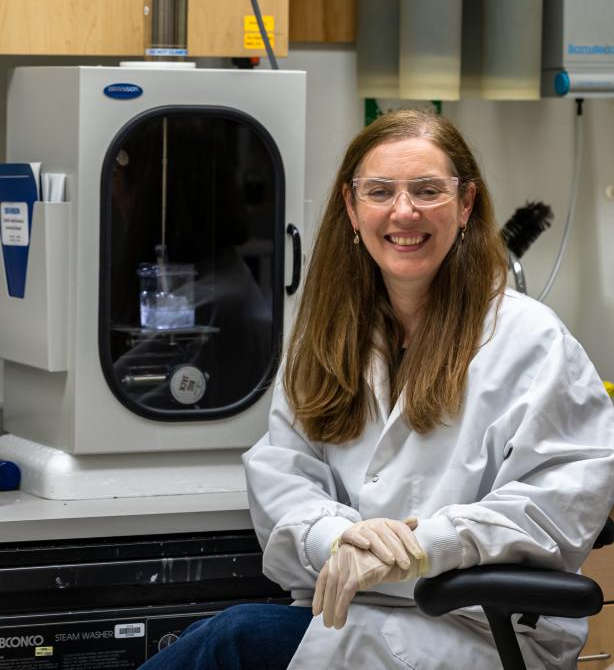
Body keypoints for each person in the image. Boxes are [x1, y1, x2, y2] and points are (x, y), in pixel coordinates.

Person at [137, 109, 614, 670]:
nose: (403, 211)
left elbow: (558, 505)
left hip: (474, 630)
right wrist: (339, 539)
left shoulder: (531, 341)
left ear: (465, 206)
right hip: (351, 615)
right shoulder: (326, 337)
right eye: (380, 191)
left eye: (428, 190)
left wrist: (420, 547)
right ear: (351, 207)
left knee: (233, 642)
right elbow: (285, 480)